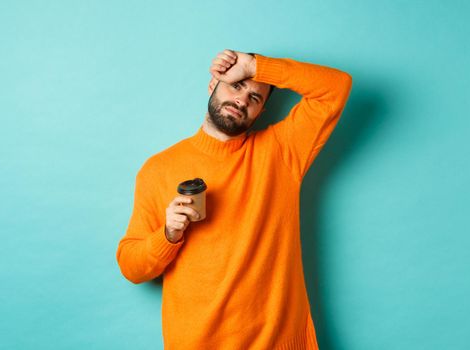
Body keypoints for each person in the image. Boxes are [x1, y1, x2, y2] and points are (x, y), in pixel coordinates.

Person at [116, 49, 352, 349]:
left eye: (255, 98)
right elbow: (131, 267)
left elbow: (336, 86)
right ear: (213, 84)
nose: (242, 100)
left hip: (277, 341)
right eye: (236, 86)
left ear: (262, 111)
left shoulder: (282, 151)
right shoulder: (158, 168)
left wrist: (253, 66)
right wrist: (168, 234)